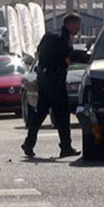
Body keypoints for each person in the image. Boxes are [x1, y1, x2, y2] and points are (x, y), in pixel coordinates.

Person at [22, 12, 85, 159]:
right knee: (62, 113)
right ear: (69, 24)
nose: (78, 29)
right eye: (77, 25)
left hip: (43, 78)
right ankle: (66, 147)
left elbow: (39, 52)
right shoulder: (63, 38)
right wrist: (84, 57)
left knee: (40, 113)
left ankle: (29, 143)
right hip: (55, 80)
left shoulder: (50, 34)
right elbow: (68, 59)